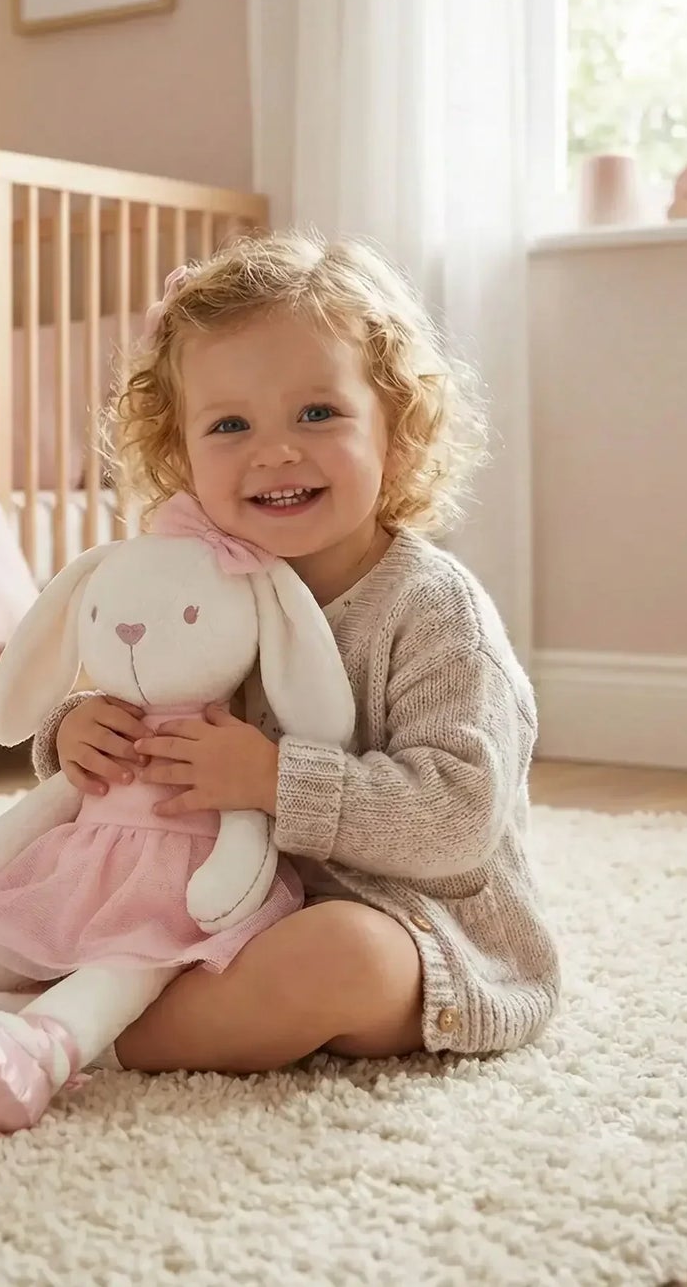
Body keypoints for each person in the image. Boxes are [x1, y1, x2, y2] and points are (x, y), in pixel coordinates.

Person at [36, 230, 560, 1073]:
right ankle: (40, 999)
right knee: (50, 890)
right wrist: (79, 732)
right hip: (220, 910)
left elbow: (458, 818)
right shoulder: (201, 586)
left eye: (317, 413)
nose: (274, 450)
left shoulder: (433, 611)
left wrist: (272, 780)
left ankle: (69, 1034)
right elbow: (148, 711)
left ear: (396, 432)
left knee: (342, 955)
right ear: (180, 455)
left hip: (412, 926)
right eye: (229, 424)